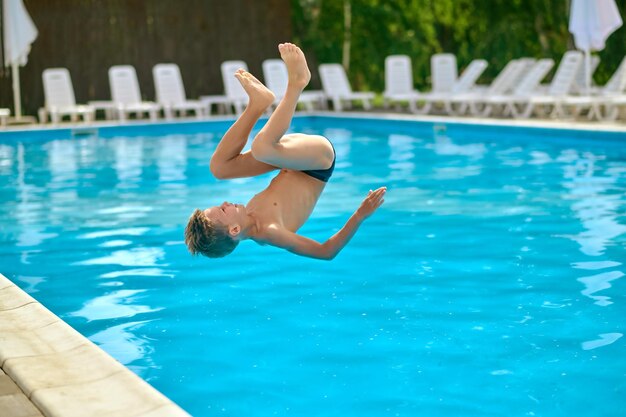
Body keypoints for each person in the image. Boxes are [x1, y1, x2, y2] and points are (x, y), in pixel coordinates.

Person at [184, 43, 386, 260]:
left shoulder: (249, 214)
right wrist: (360, 214)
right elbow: (326, 252)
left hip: (289, 159)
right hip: (317, 162)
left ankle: (258, 103)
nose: (224, 203)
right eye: (223, 210)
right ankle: (298, 82)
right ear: (234, 230)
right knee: (262, 148)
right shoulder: (270, 231)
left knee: (219, 168)